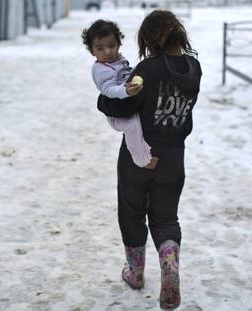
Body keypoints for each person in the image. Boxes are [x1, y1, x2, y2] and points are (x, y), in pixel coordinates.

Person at [97, 10, 202, 310]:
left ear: (150, 38)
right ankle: (169, 267)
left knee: (131, 212)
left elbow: (121, 106)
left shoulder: (148, 68)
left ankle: (136, 272)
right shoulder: (194, 68)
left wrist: (102, 99)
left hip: (138, 154)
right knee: (166, 217)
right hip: (173, 156)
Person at [81, 19, 158, 169]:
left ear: (119, 44)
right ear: (92, 51)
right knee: (133, 126)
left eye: (111, 46)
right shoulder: (101, 69)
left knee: (140, 124)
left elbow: (128, 73)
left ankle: (145, 150)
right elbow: (108, 89)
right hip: (116, 115)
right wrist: (126, 91)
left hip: (127, 102)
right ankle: (142, 160)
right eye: (100, 48)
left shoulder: (117, 61)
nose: (107, 52)